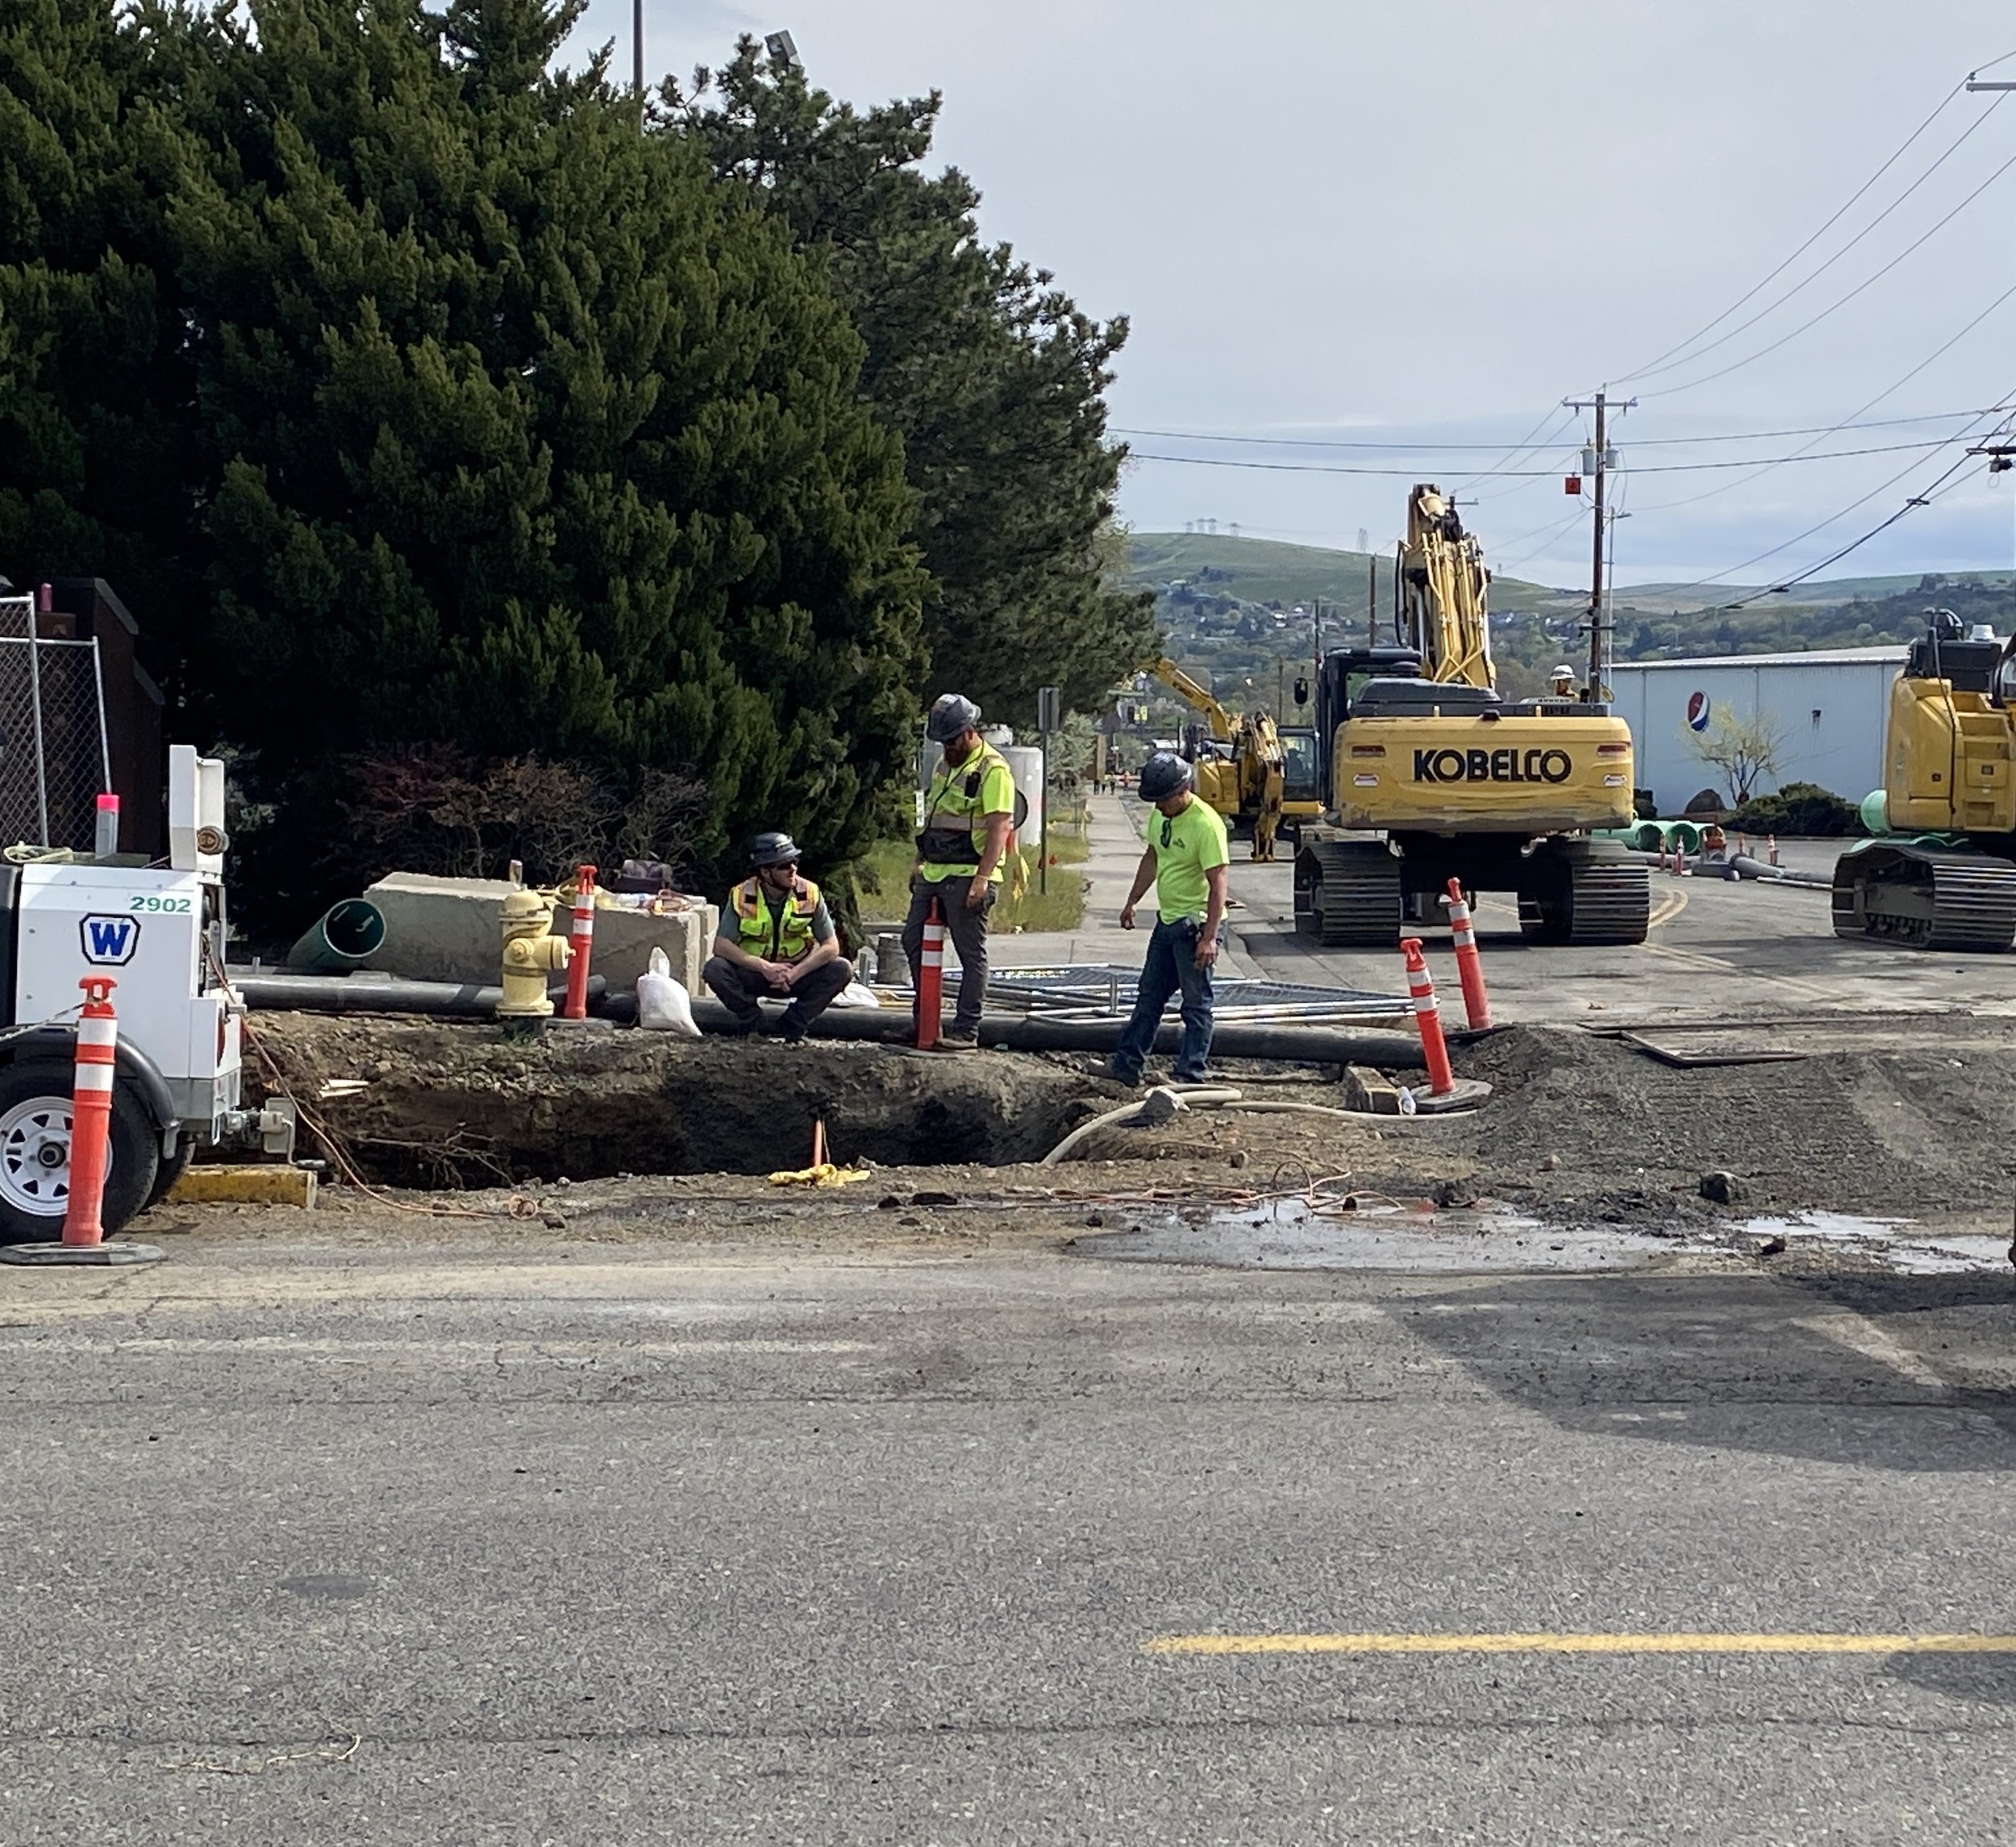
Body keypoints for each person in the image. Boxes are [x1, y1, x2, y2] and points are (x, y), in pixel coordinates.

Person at [902, 692, 1016, 1049]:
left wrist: (982, 878)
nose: (946, 748)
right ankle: (926, 1023)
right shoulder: (943, 767)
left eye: (950, 741)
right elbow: (934, 819)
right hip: (934, 871)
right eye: (941, 742)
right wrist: (919, 860)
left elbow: (1000, 826)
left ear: (969, 732)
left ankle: (967, 1029)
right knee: (913, 940)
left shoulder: (993, 770)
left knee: (970, 953)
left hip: (968, 873)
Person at [1109, 751, 1229, 1087]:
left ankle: (1191, 1075)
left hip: (1195, 926)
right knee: (1148, 996)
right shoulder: (1161, 816)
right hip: (1168, 922)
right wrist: (1132, 900)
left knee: (1196, 1005)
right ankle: (1126, 1067)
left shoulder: (1206, 825)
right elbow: (1152, 857)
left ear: (1183, 790)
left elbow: (1218, 883)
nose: (1158, 807)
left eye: (1163, 800)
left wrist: (1209, 937)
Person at [703, 832, 852, 1044]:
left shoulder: (809, 893)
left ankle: (793, 1025)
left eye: (794, 862)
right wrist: (764, 967)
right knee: (715, 969)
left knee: (841, 969)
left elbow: (831, 946)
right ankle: (753, 1022)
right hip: (755, 974)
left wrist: (797, 972)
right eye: (784, 865)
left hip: (796, 975)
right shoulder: (742, 895)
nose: (793, 869)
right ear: (765, 872)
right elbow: (721, 946)